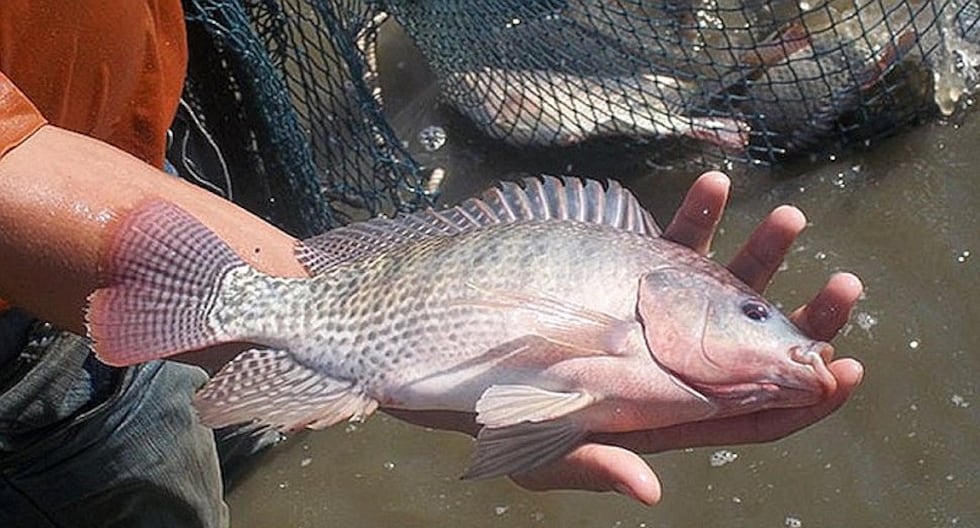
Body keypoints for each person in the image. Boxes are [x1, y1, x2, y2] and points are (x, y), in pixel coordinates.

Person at [0, 0, 864, 525]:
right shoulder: (619, 299)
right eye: (752, 310)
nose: (778, 328)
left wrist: (525, 417)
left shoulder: (639, 294)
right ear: (675, 293)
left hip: (125, 161)